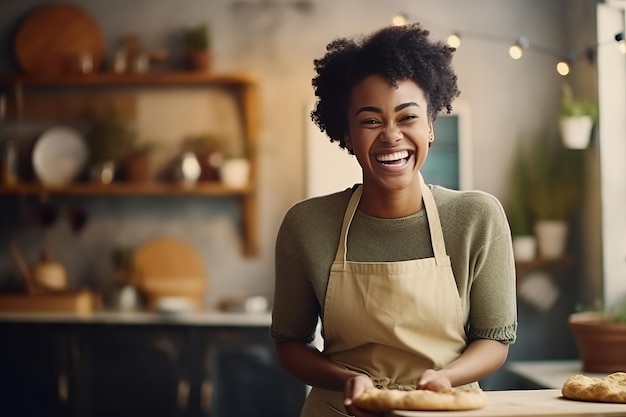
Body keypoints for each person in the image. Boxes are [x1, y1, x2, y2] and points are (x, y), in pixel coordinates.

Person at [271, 23, 517, 417]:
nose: (391, 135)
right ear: (347, 134)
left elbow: (494, 340)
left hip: (442, 408)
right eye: (370, 121)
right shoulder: (307, 224)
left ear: (431, 126)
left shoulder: (476, 217)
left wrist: (446, 377)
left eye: (407, 117)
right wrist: (345, 378)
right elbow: (290, 343)